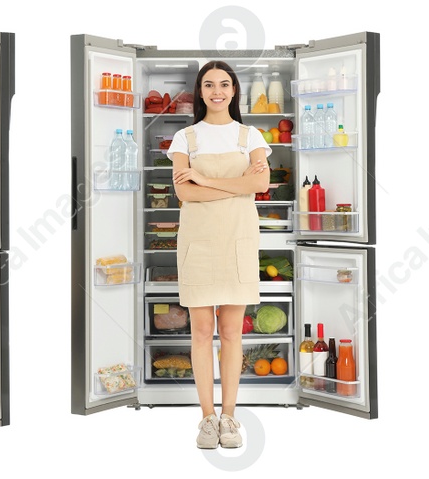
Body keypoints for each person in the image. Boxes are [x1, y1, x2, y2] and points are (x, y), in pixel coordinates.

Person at [167, 61, 270, 449]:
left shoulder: (250, 135)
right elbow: (184, 194)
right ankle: (206, 419)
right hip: (199, 243)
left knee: (230, 333)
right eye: (209, 84)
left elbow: (261, 182)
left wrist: (206, 179)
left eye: (224, 84)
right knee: (201, 332)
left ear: (234, 91)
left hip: (238, 240)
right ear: (200, 90)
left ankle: (230, 417)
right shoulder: (186, 138)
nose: (217, 91)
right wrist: (237, 186)